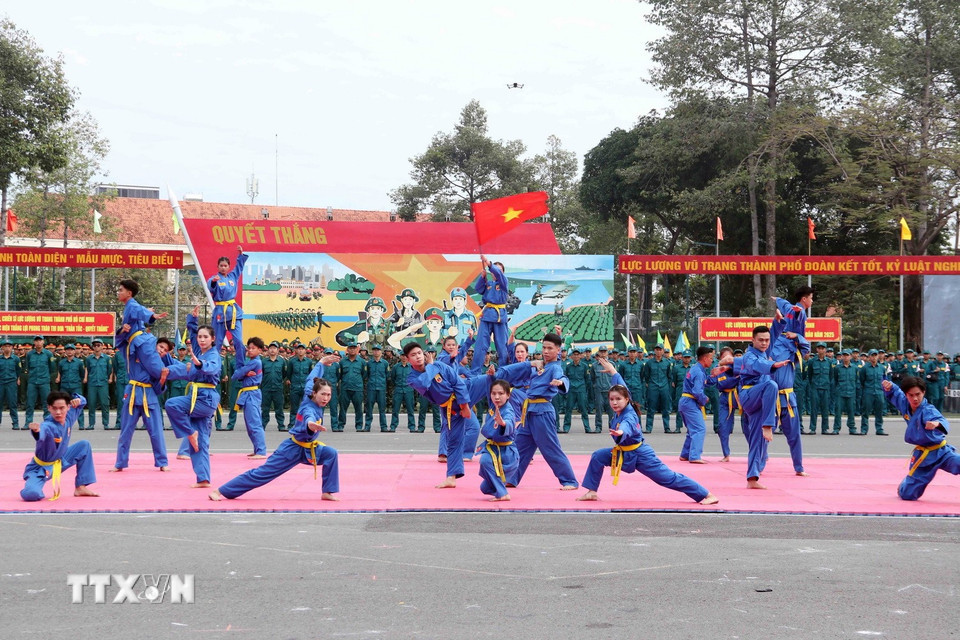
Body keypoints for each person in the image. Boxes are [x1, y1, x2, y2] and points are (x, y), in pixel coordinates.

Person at [577, 359, 718, 505]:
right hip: (624, 452)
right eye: (612, 399)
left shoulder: (629, 415)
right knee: (598, 456)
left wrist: (620, 432)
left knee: (668, 478)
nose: (614, 402)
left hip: (640, 454)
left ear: (626, 399)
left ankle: (706, 494)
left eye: (618, 399)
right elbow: (621, 384)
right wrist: (613, 371)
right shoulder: (625, 403)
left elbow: (628, 425)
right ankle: (591, 492)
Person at [210, 375, 340, 502]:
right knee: (262, 474)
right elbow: (308, 416)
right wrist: (310, 424)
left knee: (331, 454)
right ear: (314, 393)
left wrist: (322, 363)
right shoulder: (308, 407)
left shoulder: (309, 396)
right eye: (323, 394)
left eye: (328, 395)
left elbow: (311, 377)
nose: (326, 398)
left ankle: (327, 492)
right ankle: (221, 491)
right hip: (292, 450)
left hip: (309, 448)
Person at [164, 307, 222, 488]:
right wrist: (192, 320)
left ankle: (189, 432)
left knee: (172, 404)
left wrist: (200, 364)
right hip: (198, 397)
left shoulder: (213, 355)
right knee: (200, 443)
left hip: (205, 398)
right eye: (200, 337)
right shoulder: (200, 351)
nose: (202, 339)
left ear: (213, 339)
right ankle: (203, 479)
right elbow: (192, 331)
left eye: (206, 337)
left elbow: (211, 367)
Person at [512, 333, 579, 490]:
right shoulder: (540, 366)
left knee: (550, 448)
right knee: (519, 446)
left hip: (542, 412)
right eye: (544, 348)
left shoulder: (555, 367)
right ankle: (511, 477)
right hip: (529, 411)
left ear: (558, 350)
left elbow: (562, 377)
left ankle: (569, 480)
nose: (546, 351)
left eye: (550, 348)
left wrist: (561, 383)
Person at [403, 341, 472, 488]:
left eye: (420, 353)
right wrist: (431, 366)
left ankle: (529, 366)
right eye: (413, 355)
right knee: (454, 440)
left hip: (466, 393)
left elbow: (457, 382)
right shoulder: (412, 378)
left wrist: (465, 405)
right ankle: (451, 478)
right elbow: (424, 384)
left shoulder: (439, 365)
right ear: (408, 359)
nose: (418, 357)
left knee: (492, 379)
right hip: (450, 408)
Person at [882, 376, 959, 500]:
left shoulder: (928, 410)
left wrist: (936, 424)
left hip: (942, 452)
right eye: (911, 395)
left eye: (918, 394)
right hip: (923, 457)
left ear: (923, 392)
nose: (915, 398)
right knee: (908, 495)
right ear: (907, 395)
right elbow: (896, 393)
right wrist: (890, 386)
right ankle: (905, 485)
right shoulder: (905, 404)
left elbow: (940, 419)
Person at [734, 326, 790, 489]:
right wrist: (773, 366)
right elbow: (758, 366)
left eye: (767, 340)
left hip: (760, 401)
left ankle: (752, 479)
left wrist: (778, 321)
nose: (765, 343)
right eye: (761, 340)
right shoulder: (750, 356)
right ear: (753, 340)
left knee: (756, 441)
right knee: (771, 385)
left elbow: (773, 333)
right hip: (749, 395)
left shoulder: (764, 351)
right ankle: (768, 425)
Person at [110, 328, 171, 473]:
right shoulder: (135, 353)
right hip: (132, 394)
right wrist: (123, 330)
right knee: (125, 431)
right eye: (161, 346)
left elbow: (158, 389)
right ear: (154, 345)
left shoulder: (160, 366)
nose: (162, 350)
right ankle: (120, 463)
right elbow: (120, 342)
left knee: (156, 432)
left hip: (149, 397)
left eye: (165, 350)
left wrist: (162, 380)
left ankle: (162, 462)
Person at [21, 391, 99, 501]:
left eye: (62, 408)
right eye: (54, 408)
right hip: (41, 468)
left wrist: (78, 399)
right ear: (49, 408)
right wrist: (36, 430)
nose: (58, 412)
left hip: (61, 460)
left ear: (68, 407)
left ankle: (80, 487)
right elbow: (42, 432)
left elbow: (83, 401)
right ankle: (35, 485)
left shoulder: (68, 417)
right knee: (31, 494)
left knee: (84, 446)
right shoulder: (48, 425)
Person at [477, 379, 519, 502]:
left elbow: (510, 422)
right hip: (494, 448)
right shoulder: (494, 405)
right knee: (484, 488)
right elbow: (487, 386)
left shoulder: (508, 410)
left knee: (484, 460)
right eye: (493, 394)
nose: (496, 397)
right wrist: (491, 376)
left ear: (508, 395)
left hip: (506, 454)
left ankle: (503, 494)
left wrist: (503, 423)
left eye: (501, 394)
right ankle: (499, 487)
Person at [470, 255, 510, 371]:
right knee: (480, 346)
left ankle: (504, 371)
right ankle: (475, 372)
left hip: (499, 317)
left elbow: (498, 273)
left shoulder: (504, 282)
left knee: (502, 347)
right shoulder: (489, 283)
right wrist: (482, 278)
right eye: (494, 269)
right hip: (487, 316)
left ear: (502, 273)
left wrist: (489, 263)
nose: (496, 272)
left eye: (499, 270)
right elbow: (479, 289)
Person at [678, 346, 716, 464]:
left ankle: (685, 454)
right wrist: (705, 399)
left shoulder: (696, 369)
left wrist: (715, 375)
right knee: (699, 429)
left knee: (692, 430)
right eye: (711, 358)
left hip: (686, 402)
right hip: (690, 402)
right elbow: (697, 391)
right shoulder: (698, 372)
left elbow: (706, 382)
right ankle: (694, 455)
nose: (712, 360)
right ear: (704, 358)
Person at [208, 245, 247, 351]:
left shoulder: (232, 276)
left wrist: (241, 255)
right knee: (217, 342)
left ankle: (240, 365)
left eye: (225, 265)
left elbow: (239, 267)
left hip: (234, 312)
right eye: (221, 265)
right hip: (220, 313)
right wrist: (214, 282)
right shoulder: (214, 279)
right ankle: (214, 365)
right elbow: (211, 287)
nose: (223, 267)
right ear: (218, 267)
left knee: (238, 341)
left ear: (229, 267)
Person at [233, 337, 266, 458]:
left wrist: (243, 372)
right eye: (249, 348)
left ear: (260, 350)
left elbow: (236, 374)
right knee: (249, 424)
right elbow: (239, 375)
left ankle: (261, 451)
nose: (250, 350)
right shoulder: (250, 362)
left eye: (253, 348)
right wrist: (244, 373)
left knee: (255, 423)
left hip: (252, 394)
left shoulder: (255, 362)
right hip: (247, 393)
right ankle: (257, 449)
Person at [24, 335, 57, 424]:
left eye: (40, 340)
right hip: (32, 382)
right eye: (36, 341)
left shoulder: (48, 354)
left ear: (43, 342)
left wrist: (45, 377)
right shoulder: (30, 354)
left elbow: (52, 368)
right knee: (30, 403)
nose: (38, 342)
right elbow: (27, 367)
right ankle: (28, 422)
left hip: (44, 382)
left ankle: (47, 422)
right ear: (34, 342)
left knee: (46, 403)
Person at [643, 344, 674, 433]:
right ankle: (649, 428)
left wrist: (666, 386)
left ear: (663, 351)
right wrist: (650, 384)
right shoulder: (649, 363)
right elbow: (646, 376)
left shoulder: (667, 363)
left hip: (664, 387)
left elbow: (669, 376)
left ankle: (667, 427)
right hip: (653, 387)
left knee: (665, 408)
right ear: (654, 351)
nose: (658, 351)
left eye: (660, 350)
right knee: (651, 408)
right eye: (657, 349)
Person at [83, 338, 113, 430]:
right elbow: (88, 369)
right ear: (92, 347)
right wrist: (86, 378)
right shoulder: (89, 359)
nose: (96, 347)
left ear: (102, 346)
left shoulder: (107, 358)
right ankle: (91, 424)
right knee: (91, 404)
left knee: (105, 404)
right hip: (92, 383)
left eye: (98, 345)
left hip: (103, 383)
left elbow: (110, 369)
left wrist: (109, 378)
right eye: (95, 345)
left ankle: (106, 423)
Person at [56, 344, 86, 429]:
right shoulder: (61, 363)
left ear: (74, 351)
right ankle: (62, 423)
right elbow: (60, 373)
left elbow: (82, 374)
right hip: (64, 386)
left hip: (75, 386)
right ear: (65, 351)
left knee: (79, 404)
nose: (69, 351)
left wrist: (76, 381)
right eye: (68, 350)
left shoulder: (79, 363)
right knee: (63, 405)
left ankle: (81, 424)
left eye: (71, 350)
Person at [860, 349, 888, 435]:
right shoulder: (864, 368)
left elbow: (884, 380)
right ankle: (864, 429)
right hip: (868, 391)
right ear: (869, 357)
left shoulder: (882, 368)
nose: (874, 357)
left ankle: (879, 429)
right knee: (866, 411)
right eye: (872, 355)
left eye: (875, 355)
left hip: (879, 391)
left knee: (879, 411)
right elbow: (862, 380)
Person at [0, 338, 22, 430]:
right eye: (5, 346)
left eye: (9, 346)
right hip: (0, 382)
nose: (7, 348)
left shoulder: (16, 359)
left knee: (12, 404)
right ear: (2, 348)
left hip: (11, 383)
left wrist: (18, 379)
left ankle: (15, 423)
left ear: (12, 348)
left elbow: (18, 370)